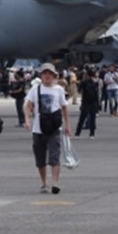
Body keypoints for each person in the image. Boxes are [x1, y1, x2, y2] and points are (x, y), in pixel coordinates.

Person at [23, 62, 71, 195]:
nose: (47, 76)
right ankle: (44, 183)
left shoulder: (59, 90)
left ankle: (55, 183)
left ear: (54, 75)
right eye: (45, 73)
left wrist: (67, 125)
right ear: (41, 76)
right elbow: (28, 105)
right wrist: (27, 119)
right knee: (40, 159)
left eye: (50, 73)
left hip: (55, 128)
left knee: (54, 156)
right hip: (38, 128)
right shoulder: (35, 89)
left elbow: (64, 107)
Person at [75, 68, 99, 139]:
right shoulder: (95, 82)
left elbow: (79, 90)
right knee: (92, 119)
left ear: (87, 75)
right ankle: (92, 134)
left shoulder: (84, 82)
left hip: (85, 102)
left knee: (82, 119)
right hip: (93, 102)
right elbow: (96, 94)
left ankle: (77, 134)